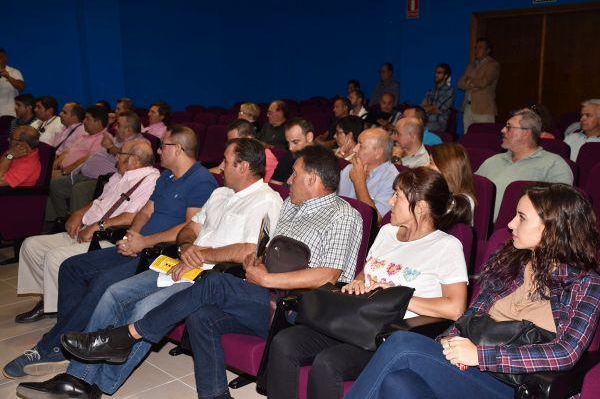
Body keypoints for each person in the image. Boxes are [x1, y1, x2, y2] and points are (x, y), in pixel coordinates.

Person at [17, 145, 364, 399]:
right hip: (262, 293)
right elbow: (261, 249)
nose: (288, 179)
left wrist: (266, 278)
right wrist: (255, 264)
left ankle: (127, 336)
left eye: (295, 174)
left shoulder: (343, 215)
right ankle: (213, 395)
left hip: (295, 308)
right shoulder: (290, 204)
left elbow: (328, 276)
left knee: (213, 282)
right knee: (201, 316)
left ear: (313, 179)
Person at [346, 183, 600, 399]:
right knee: (397, 384)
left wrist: (480, 355)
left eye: (522, 217)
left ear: (553, 227)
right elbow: (471, 317)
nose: (510, 223)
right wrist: (449, 343)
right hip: (470, 365)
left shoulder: (585, 283)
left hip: (511, 382)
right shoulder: (510, 262)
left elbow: (565, 352)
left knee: (402, 343)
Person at [3, 125, 217, 379]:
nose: (159, 151)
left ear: (178, 149)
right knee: (71, 267)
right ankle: (69, 336)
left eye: (163, 146)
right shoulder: (167, 176)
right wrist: (131, 236)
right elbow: (146, 211)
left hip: (159, 254)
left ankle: (50, 347)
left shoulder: (201, 180)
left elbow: (188, 229)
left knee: (103, 283)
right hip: (138, 245)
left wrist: (144, 242)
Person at [267, 167, 470, 399]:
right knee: (284, 342)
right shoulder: (387, 232)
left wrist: (397, 296)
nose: (390, 201)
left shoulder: (446, 246)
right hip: (357, 319)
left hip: (389, 333)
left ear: (420, 207)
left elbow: (455, 308)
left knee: (328, 363)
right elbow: (367, 271)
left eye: (397, 196)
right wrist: (358, 282)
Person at [14, 140, 159, 323]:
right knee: (31, 245)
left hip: (107, 237)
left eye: (120, 153)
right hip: (87, 229)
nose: (116, 157)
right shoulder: (119, 175)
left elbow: (133, 217)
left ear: (135, 160)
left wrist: (97, 226)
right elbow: (100, 200)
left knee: (54, 256)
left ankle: (63, 310)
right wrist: (79, 213)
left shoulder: (150, 180)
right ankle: (48, 300)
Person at [45, 111, 146, 222]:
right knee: (54, 184)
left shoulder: (141, 144)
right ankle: (59, 220)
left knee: (79, 190)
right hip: (83, 174)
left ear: (129, 130)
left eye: (119, 125)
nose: (115, 128)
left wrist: (110, 147)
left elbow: (128, 163)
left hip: (103, 181)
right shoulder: (116, 139)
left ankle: (76, 224)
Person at [476, 109, 573, 220]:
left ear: (526, 132)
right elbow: (470, 189)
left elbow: (561, 207)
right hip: (483, 224)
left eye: (509, 127)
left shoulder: (554, 164)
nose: (503, 130)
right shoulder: (493, 160)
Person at [338, 128, 398, 220]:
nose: (355, 149)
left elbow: (375, 219)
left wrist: (359, 183)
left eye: (360, 146)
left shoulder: (392, 179)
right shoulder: (350, 168)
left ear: (378, 153)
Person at [209, 119, 278, 182]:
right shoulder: (235, 153)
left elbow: (262, 186)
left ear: (249, 138)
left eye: (235, 141)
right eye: (230, 142)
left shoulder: (266, 157)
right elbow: (220, 169)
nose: (231, 145)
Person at [51, 105, 108, 179]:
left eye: (87, 118)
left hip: (74, 174)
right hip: (62, 170)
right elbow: (68, 151)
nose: (84, 121)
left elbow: (88, 160)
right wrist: (55, 164)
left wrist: (63, 172)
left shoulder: (102, 139)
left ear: (98, 122)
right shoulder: (85, 136)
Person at [458, 38, 500, 134]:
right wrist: (472, 83)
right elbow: (460, 83)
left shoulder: (493, 65)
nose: (476, 50)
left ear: (488, 50)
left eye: (480, 47)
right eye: (476, 48)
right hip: (468, 107)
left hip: (484, 108)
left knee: (485, 137)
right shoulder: (471, 65)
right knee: (468, 136)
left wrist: (468, 81)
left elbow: (483, 82)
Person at [427, 143, 477, 223]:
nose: (425, 165)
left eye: (431, 162)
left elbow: (434, 225)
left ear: (445, 168)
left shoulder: (463, 202)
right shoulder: (438, 189)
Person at [270, 117, 314, 185]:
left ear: (309, 137)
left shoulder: (324, 160)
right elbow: (274, 185)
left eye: (295, 142)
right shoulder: (289, 156)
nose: (290, 148)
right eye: (288, 143)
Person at [422, 63, 455, 132]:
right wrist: (432, 108)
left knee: (420, 128)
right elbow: (422, 107)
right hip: (426, 120)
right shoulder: (431, 90)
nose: (436, 75)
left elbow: (437, 107)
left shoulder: (449, 91)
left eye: (439, 73)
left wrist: (429, 108)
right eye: (436, 72)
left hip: (438, 122)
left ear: (446, 76)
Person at [0, 47, 25, 117]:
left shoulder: (14, 72)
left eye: (0, 58)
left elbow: (21, 87)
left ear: (5, 58)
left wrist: (8, 77)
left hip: (10, 113)